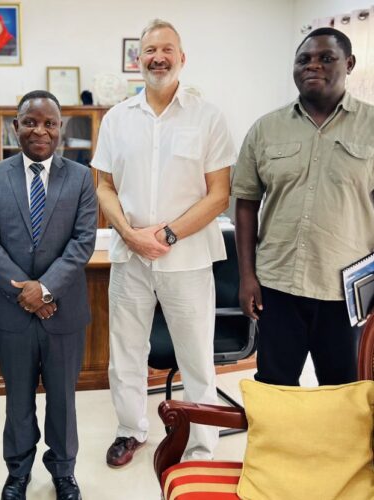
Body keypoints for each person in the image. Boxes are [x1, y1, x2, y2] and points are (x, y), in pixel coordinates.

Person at [92, 19, 236, 467]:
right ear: (139, 60)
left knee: (196, 358)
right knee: (126, 353)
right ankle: (130, 431)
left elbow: (219, 193)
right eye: (150, 50)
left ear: (181, 57)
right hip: (130, 258)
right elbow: (104, 187)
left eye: (166, 49)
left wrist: (168, 234)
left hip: (188, 259)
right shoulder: (117, 119)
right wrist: (131, 235)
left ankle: (201, 444)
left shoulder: (207, 116)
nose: (158, 57)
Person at [232, 27, 374, 387]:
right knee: (274, 387)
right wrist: (247, 276)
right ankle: (279, 447)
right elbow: (246, 202)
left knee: (344, 391)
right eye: (304, 59)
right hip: (277, 287)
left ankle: (335, 448)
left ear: (349, 63)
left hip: (346, 291)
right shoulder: (266, 129)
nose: (313, 66)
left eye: (326, 58)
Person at [0, 90, 97, 500]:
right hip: (12, 314)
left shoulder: (80, 177)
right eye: (30, 122)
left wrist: (44, 289)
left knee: (62, 400)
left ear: (60, 128)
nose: (39, 130)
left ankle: (63, 472)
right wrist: (26, 293)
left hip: (64, 311)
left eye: (48, 123)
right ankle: (18, 472)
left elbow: (82, 242)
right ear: (16, 127)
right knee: (18, 400)